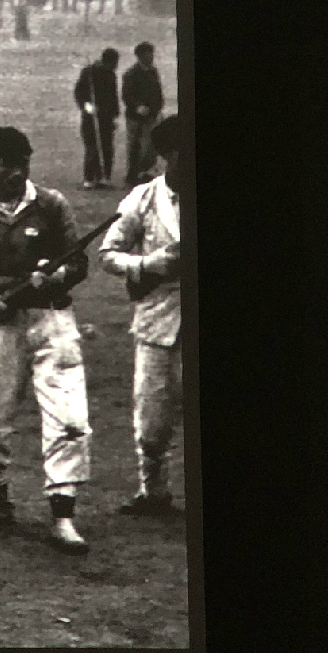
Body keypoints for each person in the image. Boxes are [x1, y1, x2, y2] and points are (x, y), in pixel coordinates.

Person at [0, 126, 93, 552]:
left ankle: (63, 515)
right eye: (7, 165)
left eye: (22, 164)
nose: (16, 173)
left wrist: (57, 275)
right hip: (1, 324)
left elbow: (78, 261)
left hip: (51, 319)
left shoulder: (51, 204)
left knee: (68, 418)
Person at [99, 115, 184, 516]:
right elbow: (108, 254)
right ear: (168, 155)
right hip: (157, 319)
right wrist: (149, 265)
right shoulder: (142, 199)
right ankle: (154, 492)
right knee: (151, 421)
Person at [74, 48, 120, 189]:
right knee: (92, 146)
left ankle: (104, 177)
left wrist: (115, 114)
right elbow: (79, 92)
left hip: (106, 117)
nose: (116, 66)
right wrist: (86, 105)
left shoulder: (111, 75)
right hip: (91, 117)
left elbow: (113, 96)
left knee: (107, 147)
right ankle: (89, 178)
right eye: (114, 63)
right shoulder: (89, 72)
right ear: (107, 61)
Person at [121, 42, 164, 187]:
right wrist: (137, 106)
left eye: (151, 53)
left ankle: (146, 171)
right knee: (135, 145)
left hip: (152, 115)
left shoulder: (153, 72)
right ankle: (132, 174)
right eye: (147, 53)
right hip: (136, 117)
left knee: (151, 145)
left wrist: (158, 108)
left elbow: (158, 92)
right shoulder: (131, 74)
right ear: (139, 56)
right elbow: (127, 95)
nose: (150, 56)